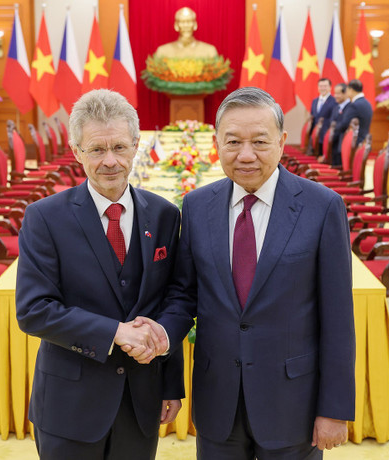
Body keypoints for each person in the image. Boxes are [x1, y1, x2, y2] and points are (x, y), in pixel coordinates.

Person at [127, 87, 356, 458]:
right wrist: (162, 336)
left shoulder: (322, 207)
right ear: (217, 143)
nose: (246, 155)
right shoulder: (197, 205)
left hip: (292, 402)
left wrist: (334, 408)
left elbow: (338, 318)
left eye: (260, 142)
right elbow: (184, 295)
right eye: (233, 142)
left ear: (281, 141)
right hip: (218, 400)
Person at [15, 89, 184, 460]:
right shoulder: (45, 218)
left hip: (141, 401)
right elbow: (33, 310)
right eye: (96, 149)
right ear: (76, 151)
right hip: (69, 406)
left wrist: (171, 384)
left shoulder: (165, 215)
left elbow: (173, 299)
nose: (110, 161)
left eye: (120, 147)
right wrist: (115, 332)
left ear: (136, 145)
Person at [332, 79, 373, 164]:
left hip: (352, 144)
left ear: (351, 90)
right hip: (362, 143)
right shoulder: (367, 103)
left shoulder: (354, 105)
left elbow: (344, 125)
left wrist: (333, 128)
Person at [154, 7, 218, 59]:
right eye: (182, 22)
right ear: (176, 25)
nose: (186, 25)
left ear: (195, 25)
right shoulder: (163, 52)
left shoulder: (209, 51)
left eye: (189, 21)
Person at [310, 78, 337, 156]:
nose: (322, 88)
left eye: (325, 86)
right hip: (315, 138)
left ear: (330, 87)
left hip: (326, 137)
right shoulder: (314, 101)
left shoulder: (334, 101)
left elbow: (334, 119)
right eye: (320, 86)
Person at [328, 83, 350, 166]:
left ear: (345, 93)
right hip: (333, 145)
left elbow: (344, 125)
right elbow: (331, 123)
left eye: (338, 93)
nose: (335, 96)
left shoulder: (351, 107)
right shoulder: (336, 107)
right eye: (335, 93)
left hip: (342, 146)